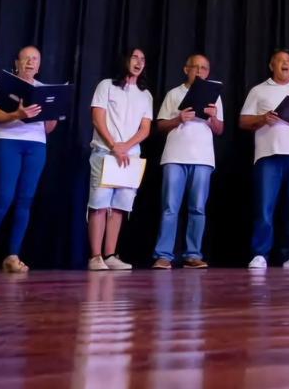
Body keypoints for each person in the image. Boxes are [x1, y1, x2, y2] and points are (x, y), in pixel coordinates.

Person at [0, 46, 58, 275]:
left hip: (36, 145)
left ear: (39, 65)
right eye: (26, 59)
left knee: (25, 200)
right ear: (17, 63)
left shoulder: (44, 90)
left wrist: (53, 112)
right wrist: (17, 115)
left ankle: (12, 256)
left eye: (35, 59)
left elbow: (48, 129)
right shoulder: (3, 83)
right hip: (7, 140)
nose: (30, 63)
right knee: (3, 196)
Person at [238, 49, 289, 270]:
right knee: (264, 207)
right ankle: (260, 253)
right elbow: (243, 121)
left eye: (288, 61)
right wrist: (263, 119)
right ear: (271, 66)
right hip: (268, 156)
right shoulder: (258, 90)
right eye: (280, 61)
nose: (285, 63)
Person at [152, 54, 224, 270]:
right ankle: (163, 255)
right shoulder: (174, 94)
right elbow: (161, 126)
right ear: (186, 70)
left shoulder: (214, 96)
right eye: (196, 67)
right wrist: (178, 119)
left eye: (204, 68)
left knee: (198, 208)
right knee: (169, 207)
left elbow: (219, 129)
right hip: (174, 157)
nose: (200, 72)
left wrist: (212, 117)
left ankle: (193, 254)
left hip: (202, 158)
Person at [87, 48, 154, 271]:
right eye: (135, 57)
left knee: (119, 207)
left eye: (142, 59)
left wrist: (125, 146)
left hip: (130, 157)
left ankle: (110, 254)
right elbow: (98, 118)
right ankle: (95, 256)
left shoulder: (145, 95)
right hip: (105, 152)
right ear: (125, 60)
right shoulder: (106, 86)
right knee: (99, 204)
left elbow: (145, 129)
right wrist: (114, 145)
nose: (139, 62)